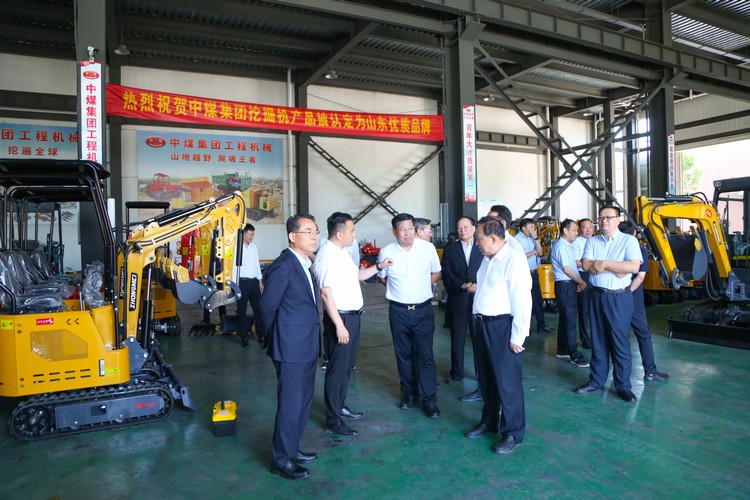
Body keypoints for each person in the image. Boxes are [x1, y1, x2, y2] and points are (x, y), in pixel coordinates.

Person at [314, 212, 393, 437]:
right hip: (341, 319)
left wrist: (380, 266)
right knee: (337, 370)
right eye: (352, 230)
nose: (354, 234)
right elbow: (326, 294)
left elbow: (358, 275)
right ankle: (333, 419)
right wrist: (339, 326)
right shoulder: (327, 256)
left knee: (346, 367)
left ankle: (340, 406)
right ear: (339, 234)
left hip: (352, 317)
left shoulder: (341, 253)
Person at [464, 216, 531, 454]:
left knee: (507, 382)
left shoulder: (514, 259)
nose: (476, 243)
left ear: (493, 238)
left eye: (478, 238)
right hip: (483, 324)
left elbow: (522, 299)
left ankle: (513, 431)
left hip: (503, 327)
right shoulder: (487, 259)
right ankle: (489, 421)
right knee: (487, 378)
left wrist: (518, 336)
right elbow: (482, 290)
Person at [262, 214, 321, 481]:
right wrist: (272, 339)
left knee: (303, 402)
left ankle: (292, 448)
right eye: (307, 231)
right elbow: (267, 307)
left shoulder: (304, 263)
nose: (314, 236)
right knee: (290, 404)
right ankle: (281, 460)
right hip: (290, 348)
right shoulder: (284, 265)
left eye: (316, 231)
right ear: (292, 236)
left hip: (306, 346)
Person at [574, 206, 642, 403]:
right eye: (601, 217)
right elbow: (586, 265)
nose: (604, 221)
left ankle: (623, 386)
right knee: (598, 341)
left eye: (609, 217)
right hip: (596, 296)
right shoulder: (593, 241)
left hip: (618, 298)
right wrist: (614, 267)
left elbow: (633, 266)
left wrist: (604, 264)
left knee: (619, 342)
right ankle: (596, 381)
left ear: (618, 219)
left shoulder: (628, 241)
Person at [378, 213, 442, 418]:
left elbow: (436, 272)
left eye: (411, 229)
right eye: (403, 229)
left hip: (423, 311)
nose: (407, 233)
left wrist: (422, 288)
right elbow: (382, 277)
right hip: (398, 311)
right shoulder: (386, 251)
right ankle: (408, 394)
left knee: (425, 355)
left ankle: (429, 399)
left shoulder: (427, 248)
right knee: (403, 354)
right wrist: (399, 292)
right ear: (394, 231)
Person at [618, 220, 670, 382]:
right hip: (633, 298)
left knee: (619, 334)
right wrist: (628, 292)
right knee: (643, 334)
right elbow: (640, 276)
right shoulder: (638, 249)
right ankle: (650, 371)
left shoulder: (614, 249)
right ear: (634, 233)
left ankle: (618, 370)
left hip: (615, 297)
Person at [440, 216, 483, 385]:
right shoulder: (451, 248)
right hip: (458, 297)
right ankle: (457, 372)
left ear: (474, 228)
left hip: (479, 297)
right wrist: (462, 285)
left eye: (465, 226)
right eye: (459, 227)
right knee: (457, 337)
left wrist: (478, 285)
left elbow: (490, 268)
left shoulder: (482, 246)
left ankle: (481, 373)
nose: (462, 230)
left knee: (478, 337)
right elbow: (446, 271)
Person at [550, 219, 589, 368]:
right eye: (573, 230)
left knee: (566, 319)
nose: (576, 232)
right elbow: (567, 269)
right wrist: (581, 281)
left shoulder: (567, 246)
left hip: (568, 285)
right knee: (570, 320)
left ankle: (562, 349)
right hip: (565, 285)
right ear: (565, 231)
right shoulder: (561, 247)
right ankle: (574, 354)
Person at [516, 218, 551, 333]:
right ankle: (524, 328)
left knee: (538, 299)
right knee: (525, 301)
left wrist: (536, 239)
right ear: (523, 228)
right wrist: (534, 252)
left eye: (533, 227)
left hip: (534, 273)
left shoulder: (533, 239)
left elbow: (541, 253)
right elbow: (521, 256)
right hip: (523, 274)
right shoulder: (517, 240)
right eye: (530, 227)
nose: (533, 229)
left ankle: (541, 324)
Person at [235, 223, 265, 348]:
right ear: (243, 234)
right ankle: (244, 338)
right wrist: (233, 285)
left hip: (253, 282)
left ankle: (261, 335)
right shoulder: (236, 247)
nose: (252, 237)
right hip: (242, 282)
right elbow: (233, 267)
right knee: (241, 311)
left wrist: (260, 280)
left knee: (259, 310)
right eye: (250, 234)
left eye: (253, 234)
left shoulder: (254, 247)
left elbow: (256, 264)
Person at [574, 218, 594, 349]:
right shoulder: (576, 242)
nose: (588, 230)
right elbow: (575, 261)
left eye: (590, 227)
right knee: (584, 309)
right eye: (585, 227)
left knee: (595, 309)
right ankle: (585, 338)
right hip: (583, 275)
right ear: (579, 229)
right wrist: (590, 265)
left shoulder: (596, 241)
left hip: (595, 275)